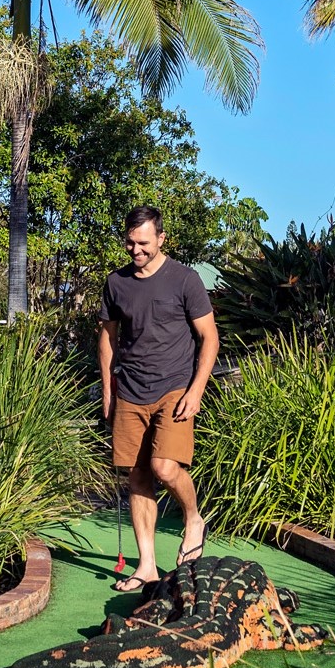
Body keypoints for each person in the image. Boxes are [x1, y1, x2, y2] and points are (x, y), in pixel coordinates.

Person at [98, 205, 219, 592]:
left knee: (165, 468)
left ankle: (193, 517)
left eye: (144, 243)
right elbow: (107, 339)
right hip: (130, 390)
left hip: (174, 389)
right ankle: (147, 565)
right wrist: (108, 391)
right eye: (130, 243)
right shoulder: (116, 284)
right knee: (137, 476)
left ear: (161, 239)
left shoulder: (185, 280)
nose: (136, 250)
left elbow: (210, 338)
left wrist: (196, 390)